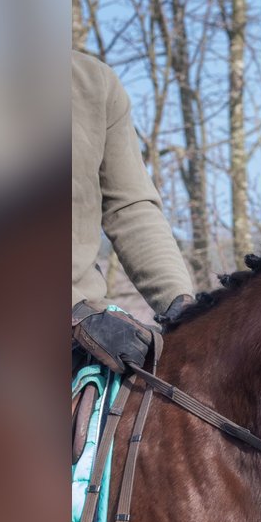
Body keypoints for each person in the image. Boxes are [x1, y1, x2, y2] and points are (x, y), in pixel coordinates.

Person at [71, 50, 195, 373]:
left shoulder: (95, 83)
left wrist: (181, 305)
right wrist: (72, 313)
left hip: (84, 330)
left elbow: (130, 207)